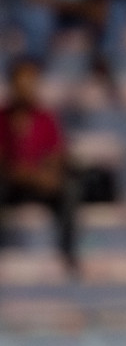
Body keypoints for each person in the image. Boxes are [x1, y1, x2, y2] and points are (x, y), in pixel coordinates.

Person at [0, 55, 78, 269]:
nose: (26, 87)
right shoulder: (2, 118)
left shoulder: (46, 118)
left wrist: (47, 176)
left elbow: (56, 155)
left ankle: (67, 255)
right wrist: (23, 174)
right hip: (10, 183)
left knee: (69, 190)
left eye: (31, 81)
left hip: (37, 183)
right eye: (21, 82)